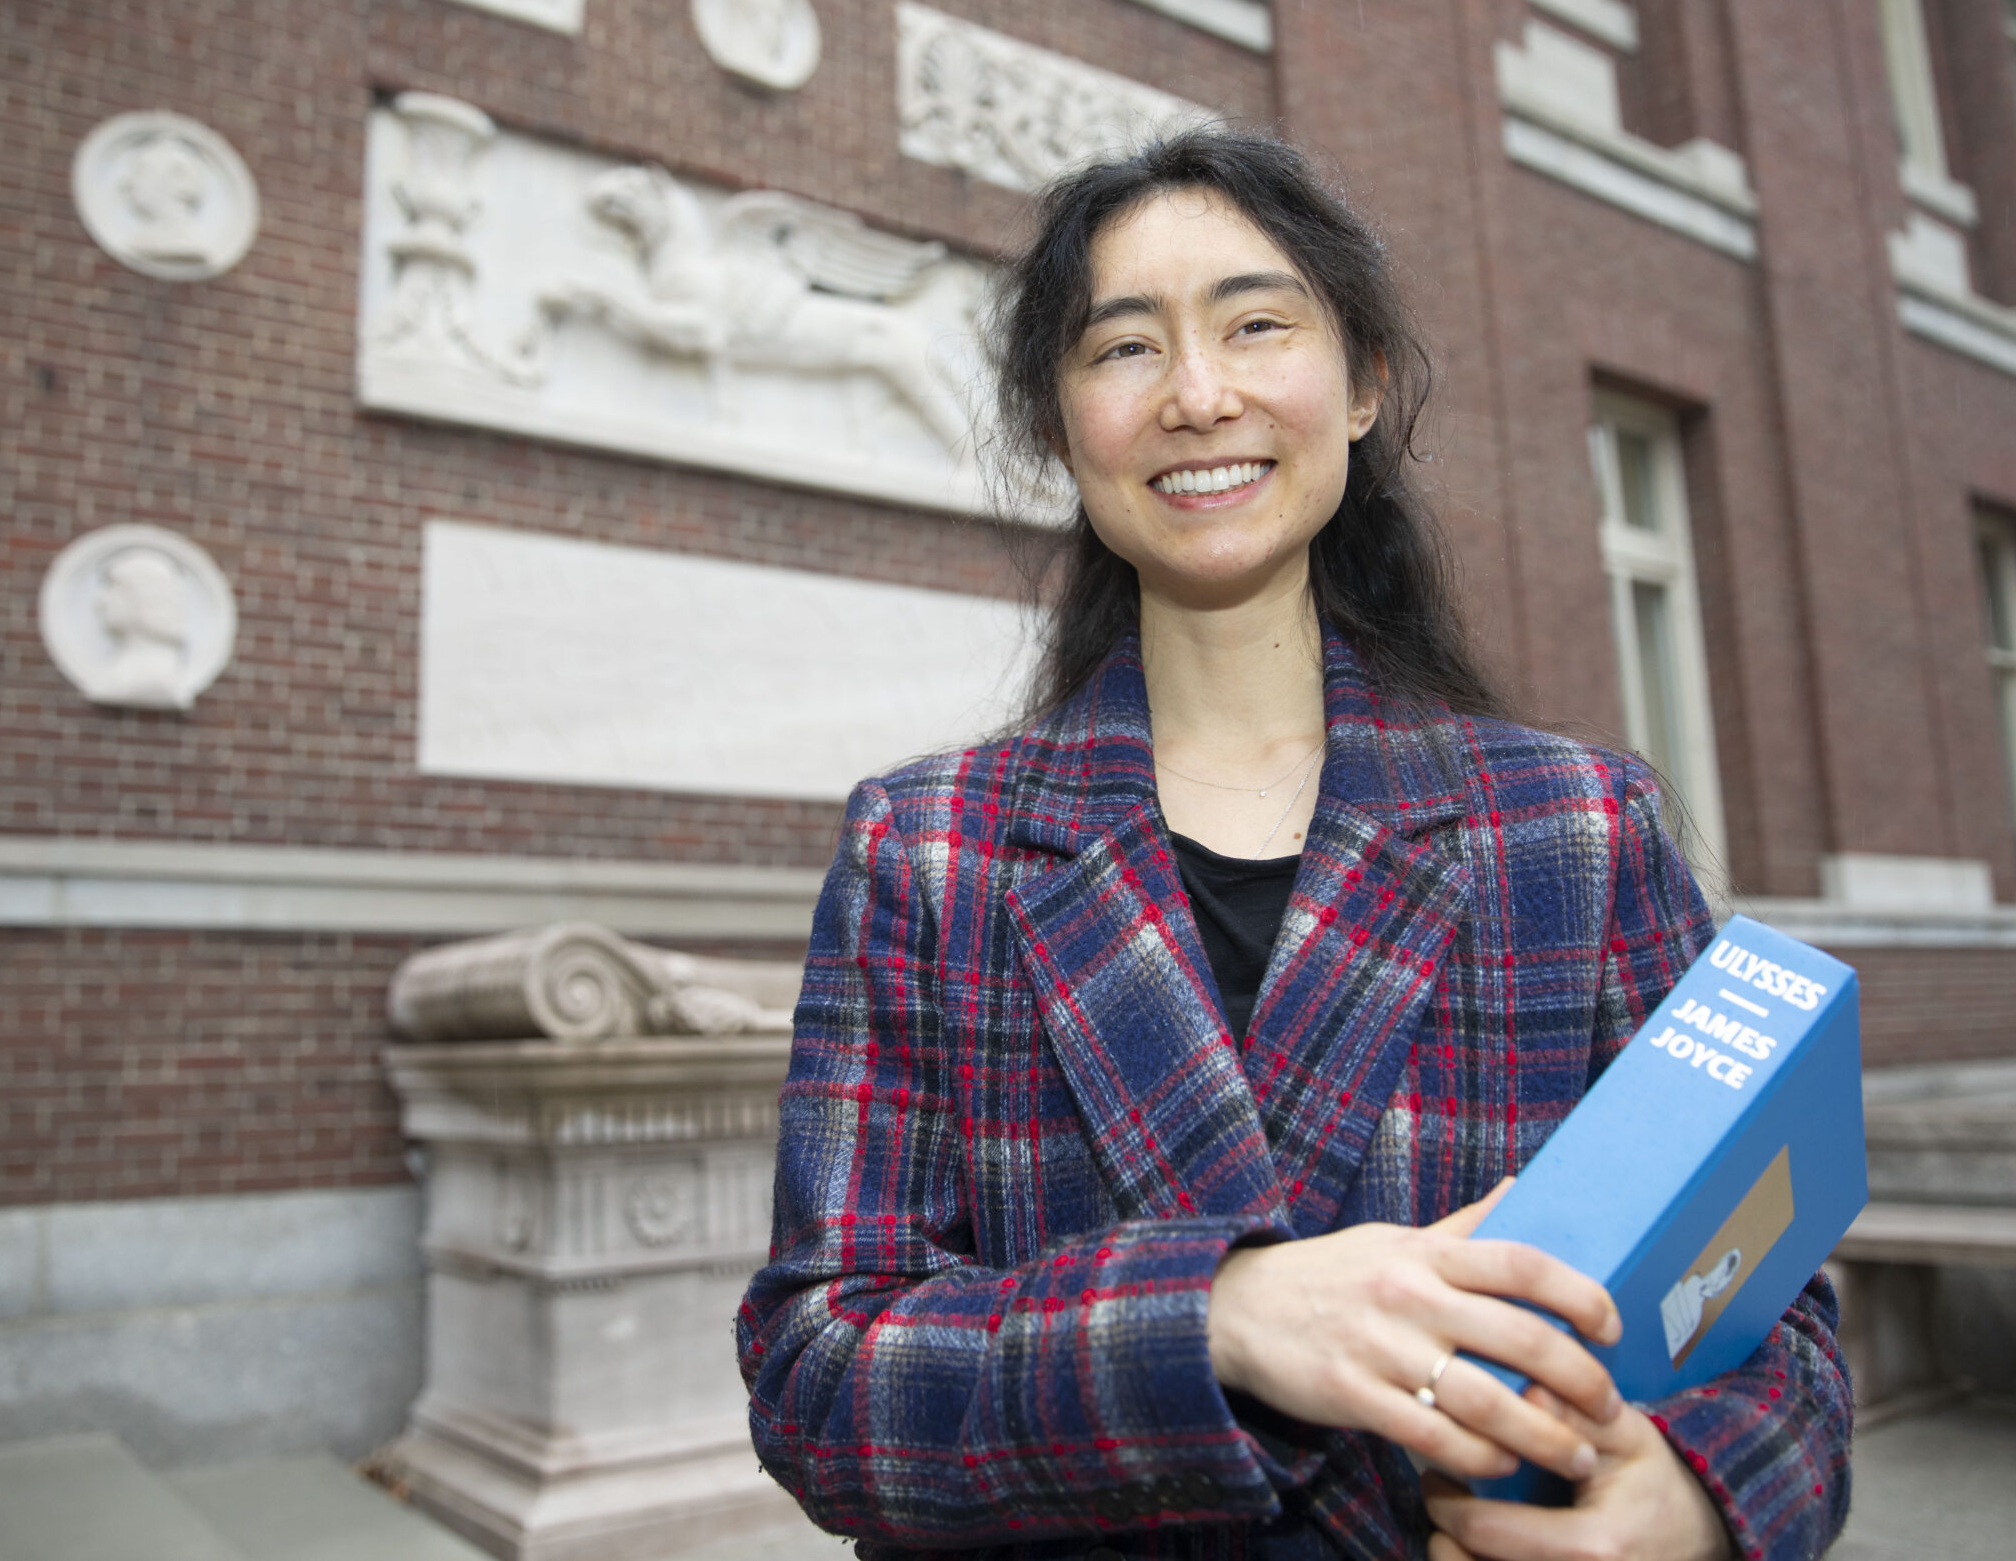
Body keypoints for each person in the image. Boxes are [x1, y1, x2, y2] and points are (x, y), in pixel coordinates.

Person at [736, 129, 1851, 1561]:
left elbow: (1774, 1308)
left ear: (1364, 381)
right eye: (1123, 349)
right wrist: (1220, 1317)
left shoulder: (1575, 829)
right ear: (1059, 424)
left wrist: (1699, 1502)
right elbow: (820, 1379)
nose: (1200, 397)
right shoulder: (929, 851)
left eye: (1258, 325)